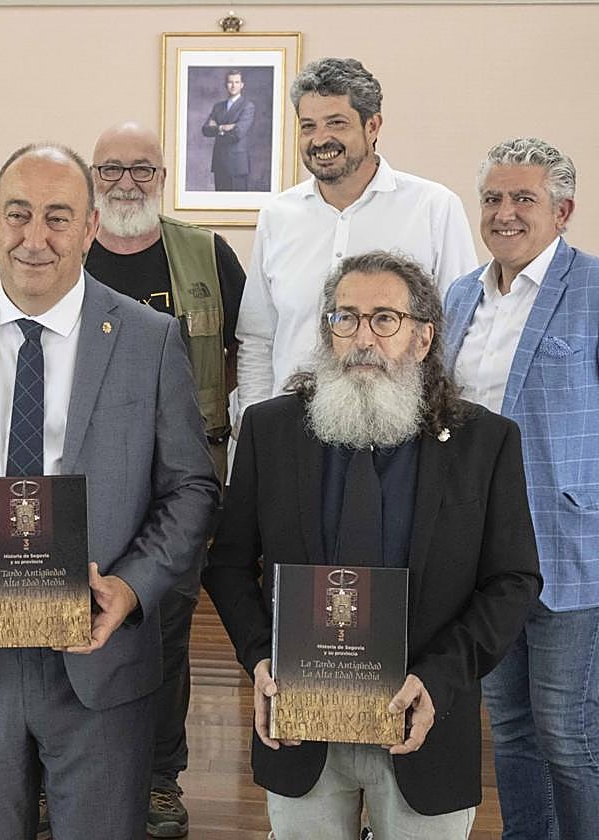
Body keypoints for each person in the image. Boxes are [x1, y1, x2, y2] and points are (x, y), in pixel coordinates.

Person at [0, 143, 220, 840]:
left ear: (90, 229)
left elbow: (191, 489)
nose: (34, 237)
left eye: (58, 218)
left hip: (97, 651)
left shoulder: (148, 339)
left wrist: (134, 587)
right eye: (18, 214)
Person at [204, 250, 541, 839]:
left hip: (423, 723)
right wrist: (260, 659)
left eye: (385, 319)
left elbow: (513, 581)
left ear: (421, 337)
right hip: (300, 727)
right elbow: (228, 564)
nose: (364, 337)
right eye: (345, 318)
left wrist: (439, 678)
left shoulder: (483, 442)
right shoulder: (271, 429)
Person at [86, 120, 245, 838]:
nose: (126, 182)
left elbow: (246, 361)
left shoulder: (209, 255)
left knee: (165, 634)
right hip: (80, 481)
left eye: (141, 169)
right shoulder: (66, 247)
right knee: (68, 620)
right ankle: (71, 777)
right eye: (111, 169)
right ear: (93, 178)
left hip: (181, 480)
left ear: (164, 177)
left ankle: (157, 778)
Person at [443, 138, 599, 840]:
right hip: (482, 555)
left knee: (568, 733)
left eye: (523, 199)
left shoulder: (593, 291)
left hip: (570, 549)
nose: (504, 213)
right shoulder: (457, 297)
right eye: (493, 199)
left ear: (562, 211)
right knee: (508, 727)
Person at [235, 57, 476, 422]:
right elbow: (257, 339)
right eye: (308, 126)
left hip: (400, 429)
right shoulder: (277, 216)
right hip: (290, 435)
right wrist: (253, 426)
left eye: (336, 123)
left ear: (372, 126)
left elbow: (456, 334)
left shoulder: (433, 207)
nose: (320, 140)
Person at [201, 70, 256, 191]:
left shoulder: (247, 106)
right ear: (226, 84)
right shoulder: (218, 107)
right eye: (230, 82)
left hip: (237, 164)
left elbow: (237, 133)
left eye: (236, 82)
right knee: (219, 205)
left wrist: (216, 128)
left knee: (237, 205)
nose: (233, 85)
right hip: (219, 163)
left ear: (242, 85)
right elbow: (205, 130)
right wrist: (223, 128)